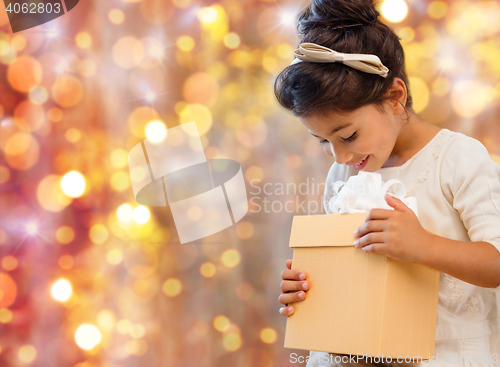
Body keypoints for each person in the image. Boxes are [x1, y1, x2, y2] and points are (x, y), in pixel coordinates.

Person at [274, 0, 500, 366]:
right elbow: (349, 270)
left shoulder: (458, 159)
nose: (339, 156)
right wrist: (307, 286)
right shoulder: (344, 174)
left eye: (347, 136)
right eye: (323, 142)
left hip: (444, 353)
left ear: (395, 97)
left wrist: (423, 245)